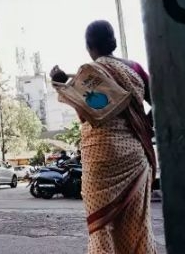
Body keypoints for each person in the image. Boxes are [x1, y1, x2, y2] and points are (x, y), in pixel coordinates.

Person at [50, 20, 157, 254]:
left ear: (89, 47)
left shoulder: (88, 73)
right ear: (114, 43)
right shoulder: (136, 69)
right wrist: (144, 125)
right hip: (134, 155)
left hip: (100, 157)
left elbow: (85, 114)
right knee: (136, 227)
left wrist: (60, 83)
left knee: (102, 227)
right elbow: (160, 100)